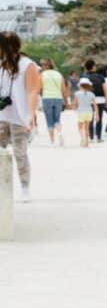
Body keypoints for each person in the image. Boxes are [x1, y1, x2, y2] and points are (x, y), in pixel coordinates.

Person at [0, 32, 41, 202]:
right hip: (2, 116)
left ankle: (25, 187)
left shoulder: (27, 65)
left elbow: (33, 91)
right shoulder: (1, 64)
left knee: (20, 153)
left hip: (19, 117)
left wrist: (31, 115)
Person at [38, 58, 69, 145]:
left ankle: (52, 141)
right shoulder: (59, 74)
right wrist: (66, 102)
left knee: (49, 120)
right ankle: (60, 134)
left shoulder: (42, 75)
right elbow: (64, 89)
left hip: (47, 98)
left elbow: (39, 88)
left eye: (42, 65)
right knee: (57, 119)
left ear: (45, 66)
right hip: (58, 98)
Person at [73, 78, 95, 147]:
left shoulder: (77, 93)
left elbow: (75, 103)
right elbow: (95, 105)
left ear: (80, 86)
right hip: (89, 112)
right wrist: (97, 114)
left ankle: (82, 139)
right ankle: (87, 142)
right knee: (87, 128)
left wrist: (71, 107)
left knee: (80, 127)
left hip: (81, 112)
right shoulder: (91, 94)